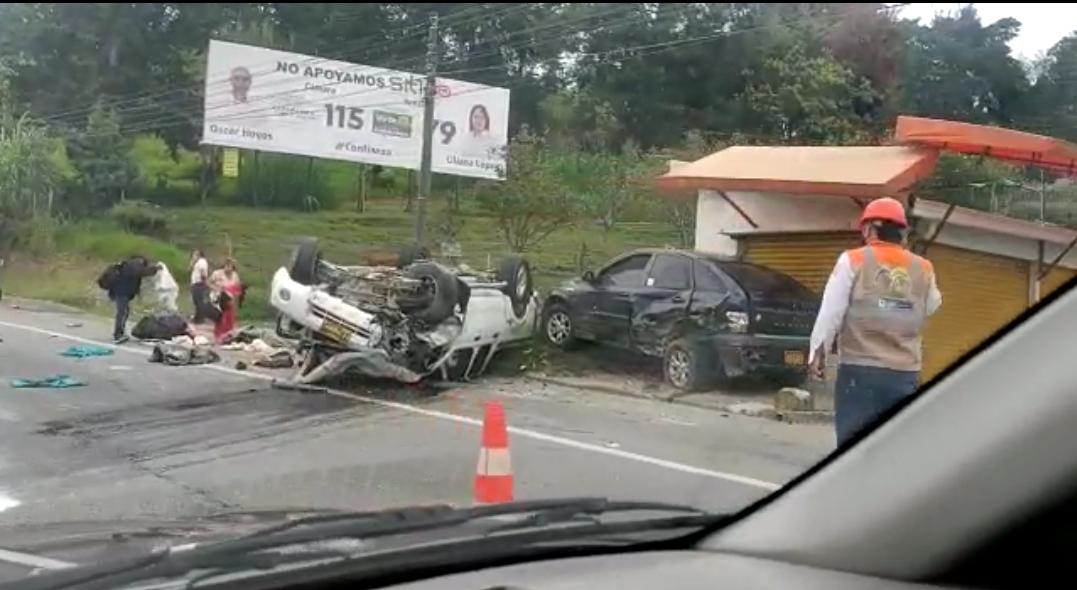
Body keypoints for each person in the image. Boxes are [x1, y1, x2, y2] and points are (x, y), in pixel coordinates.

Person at [808, 197, 943, 446]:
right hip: (904, 374)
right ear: (902, 232)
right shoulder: (924, 267)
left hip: (860, 370)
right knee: (894, 445)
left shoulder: (853, 259)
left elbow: (832, 310)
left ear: (869, 228)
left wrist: (818, 352)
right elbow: (933, 305)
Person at [101, 255, 158, 343]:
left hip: (121, 291)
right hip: (121, 291)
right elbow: (142, 272)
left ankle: (120, 332)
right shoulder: (134, 265)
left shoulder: (128, 265)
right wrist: (155, 268)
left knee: (124, 312)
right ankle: (118, 334)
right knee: (122, 312)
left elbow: (142, 272)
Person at [209, 257, 243, 343]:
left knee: (230, 318)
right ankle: (218, 336)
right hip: (219, 298)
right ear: (224, 265)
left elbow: (237, 288)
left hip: (230, 299)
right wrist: (216, 288)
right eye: (226, 265)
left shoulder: (235, 275)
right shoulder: (217, 273)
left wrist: (236, 299)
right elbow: (209, 282)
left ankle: (228, 335)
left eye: (230, 266)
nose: (228, 268)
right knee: (221, 317)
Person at [190, 249, 210, 323]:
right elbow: (190, 268)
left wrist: (204, 282)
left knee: (199, 301)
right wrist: (192, 262)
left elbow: (203, 272)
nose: (193, 256)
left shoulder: (202, 262)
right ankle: (198, 317)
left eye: (195, 254)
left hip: (199, 283)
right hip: (196, 283)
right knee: (196, 301)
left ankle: (200, 318)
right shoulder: (198, 262)